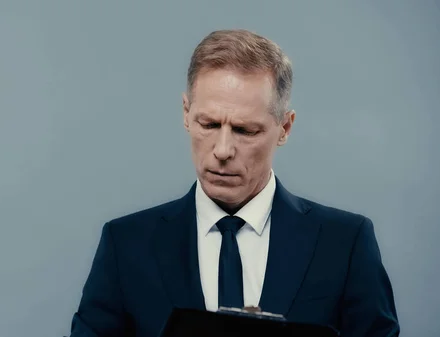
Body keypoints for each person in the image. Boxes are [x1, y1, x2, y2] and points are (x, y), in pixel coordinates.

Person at [70, 29, 399, 337]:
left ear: (285, 127)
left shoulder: (345, 243)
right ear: (186, 112)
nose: (223, 151)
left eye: (245, 130)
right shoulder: (125, 244)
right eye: (209, 124)